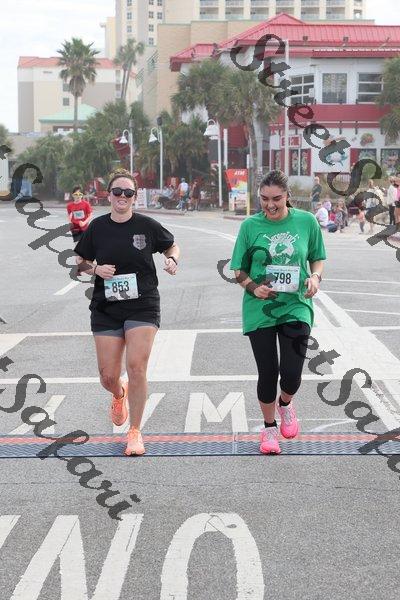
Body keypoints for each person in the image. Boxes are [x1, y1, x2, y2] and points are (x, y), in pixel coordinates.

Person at [74, 170, 180, 456]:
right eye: (117, 192)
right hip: (106, 307)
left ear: (135, 197)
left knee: (136, 367)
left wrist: (172, 259)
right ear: (109, 195)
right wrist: (96, 269)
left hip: (143, 304)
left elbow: (171, 245)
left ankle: (135, 431)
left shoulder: (147, 225)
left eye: (128, 193)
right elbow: (80, 261)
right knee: (108, 376)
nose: (122, 197)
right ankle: (118, 393)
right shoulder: (97, 227)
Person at [230, 170, 326, 455]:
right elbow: (238, 269)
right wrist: (252, 287)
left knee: (292, 374)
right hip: (260, 308)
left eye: (276, 199)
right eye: (264, 199)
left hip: (296, 305)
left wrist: (315, 278)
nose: (270, 205)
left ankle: (285, 404)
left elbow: (317, 258)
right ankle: (269, 428)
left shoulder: (306, 222)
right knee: (268, 372)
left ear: (288, 196)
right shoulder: (250, 226)